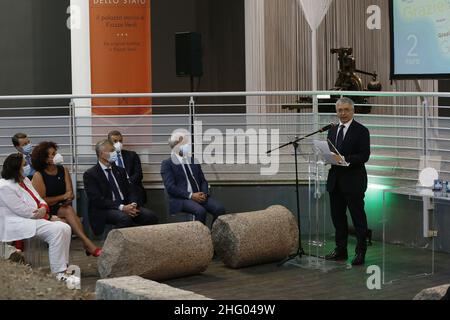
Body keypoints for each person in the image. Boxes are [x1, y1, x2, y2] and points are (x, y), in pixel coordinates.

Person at [0, 153, 79, 287]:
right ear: (16, 168)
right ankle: (58, 273)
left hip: (34, 217)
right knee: (57, 230)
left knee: (65, 227)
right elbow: (23, 211)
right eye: (24, 164)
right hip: (15, 222)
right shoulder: (4, 186)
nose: (27, 166)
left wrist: (43, 207)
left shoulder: (24, 180)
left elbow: (39, 198)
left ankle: (63, 269)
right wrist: (47, 216)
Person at [31, 141, 101, 257]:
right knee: (68, 212)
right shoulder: (39, 175)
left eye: (56, 152)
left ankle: (86, 245)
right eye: (53, 154)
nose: (57, 156)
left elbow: (70, 193)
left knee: (68, 211)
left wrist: (67, 198)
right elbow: (42, 200)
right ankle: (87, 243)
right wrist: (63, 197)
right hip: (46, 209)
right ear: (45, 159)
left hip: (63, 206)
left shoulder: (63, 170)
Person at [324, 97, 370, 266]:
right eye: (339, 110)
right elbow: (331, 153)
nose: (342, 113)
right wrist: (326, 157)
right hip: (335, 181)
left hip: (353, 181)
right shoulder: (332, 130)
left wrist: (345, 159)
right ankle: (340, 250)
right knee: (338, 218)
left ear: (352, 111)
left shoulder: (361, 131)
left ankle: (360, 252)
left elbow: (364, 156)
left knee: (358, 219)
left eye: (346, 110)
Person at [83, 139, 158, 236]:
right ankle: (111, 246)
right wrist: (122, 208)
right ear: (101, 154)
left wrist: (133, 204)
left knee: (150, 216)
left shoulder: (120, 170)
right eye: (111, 151)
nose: (115, 153)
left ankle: (142, 245)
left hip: (127, 205)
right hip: (106, 209)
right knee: (124, 218)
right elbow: (97, 200)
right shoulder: (91, 174)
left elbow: (131, 190)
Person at [161, 130, 225, 225]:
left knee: (220, 209)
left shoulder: (193, 161)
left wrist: (204, 193)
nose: (188, 146)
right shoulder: (167, 164)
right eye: (185, 143)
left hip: (200, 196)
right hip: (182, 199)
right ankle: (200, 238)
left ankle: (213, 235)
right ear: (176, 145)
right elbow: (170, 187)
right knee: (200, 211)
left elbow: (203, 181)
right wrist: (191, 195)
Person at [108, 130, 147, 206]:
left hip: (132, 188)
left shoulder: (132, 155)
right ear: (109, 143)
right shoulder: (106, 158)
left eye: (120, 141)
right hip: (115, 190)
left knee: (137, 209)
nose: (118, 143)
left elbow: (139, 174)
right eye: (115, 141)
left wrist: (127, 182)